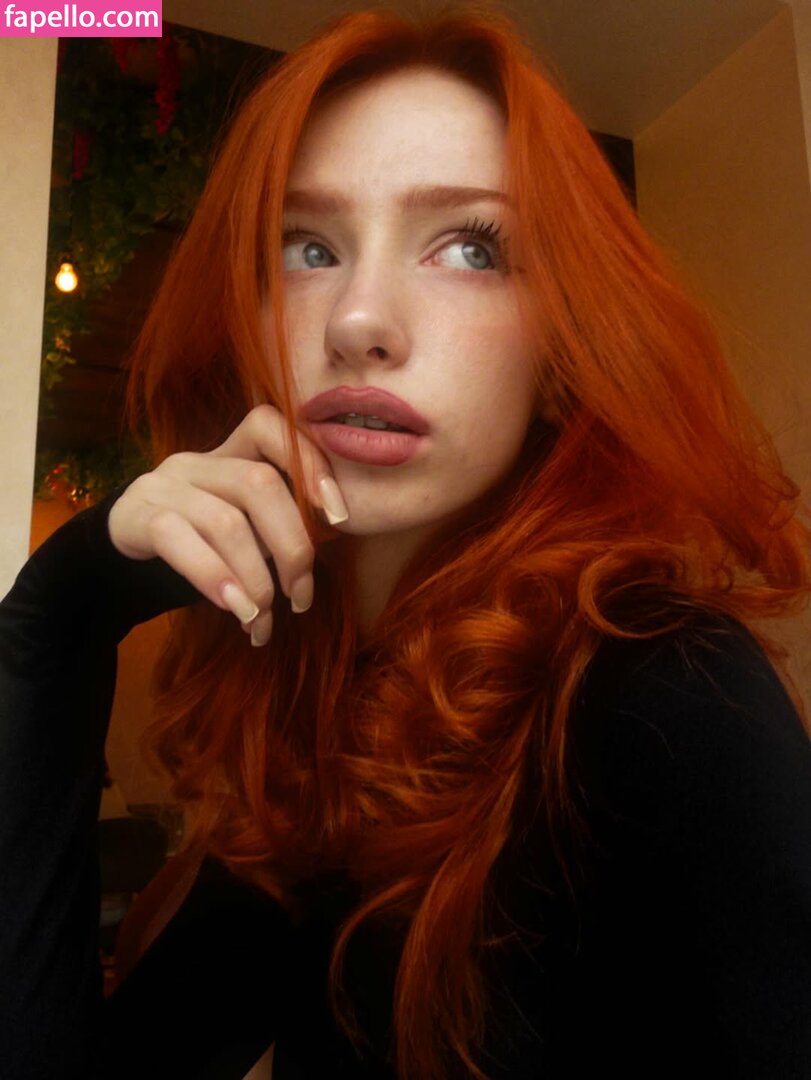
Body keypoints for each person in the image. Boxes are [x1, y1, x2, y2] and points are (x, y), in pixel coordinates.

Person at [2, 5, 810, 1079]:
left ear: (563, 352)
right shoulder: (330, 724)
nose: (357, 320)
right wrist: (60, 615)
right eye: (309, 248)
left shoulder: (662, 689)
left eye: (469, 247)